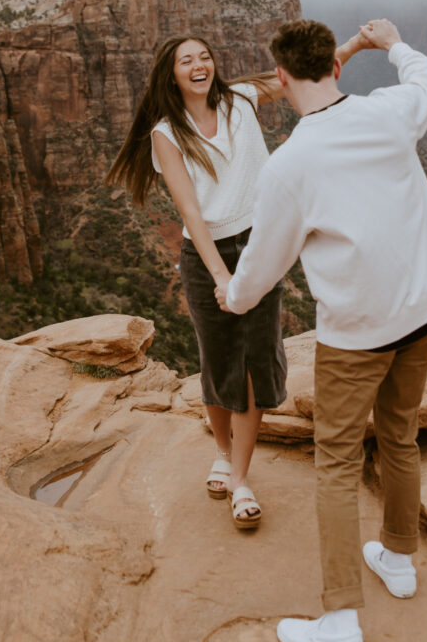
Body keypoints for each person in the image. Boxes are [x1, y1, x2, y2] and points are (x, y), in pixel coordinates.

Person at [215, 18, 427, 642]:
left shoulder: (290, 167)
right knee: (400, 432)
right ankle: (400, 557)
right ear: (336, 66)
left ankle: (340, 623)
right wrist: (393, 44)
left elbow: (262, 268)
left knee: (334, 463)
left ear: (280, 77)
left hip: (359, 333)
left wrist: (231, 297)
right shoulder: (389, 112)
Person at [106, 31, 367, 529]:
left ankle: (241, 479)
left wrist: (354, 46)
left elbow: (300, 75)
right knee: (218, 358)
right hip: (205, 256)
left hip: (260, 243)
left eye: (205, 56)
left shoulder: (240, 99)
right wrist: (222, 275)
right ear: (172, 73)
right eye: (187, 60)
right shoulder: (166, 132)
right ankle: (222, 452)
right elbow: (190, 212)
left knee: (252, 363)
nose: (199, 65)